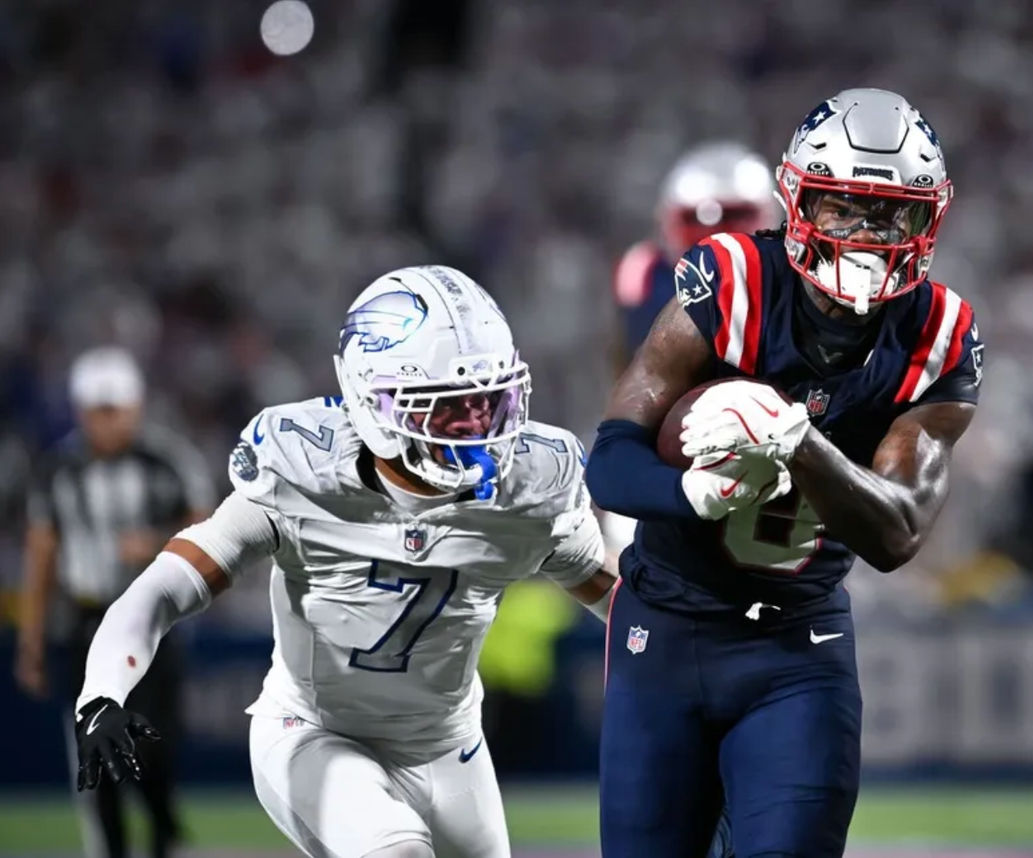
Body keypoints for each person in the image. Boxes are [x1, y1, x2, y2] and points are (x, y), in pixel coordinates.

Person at [71, 266, 616, 858]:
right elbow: (168, 586)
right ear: (372, 400)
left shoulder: (531, 487)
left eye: (489, 403)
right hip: (313, 733)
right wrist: (101, 692)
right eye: (449, 409)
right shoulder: (300, 471)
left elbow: (623, 600)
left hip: (449, 746)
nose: (477, 429)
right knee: (396, 852)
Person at [586, 88, 985, 857]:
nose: (868, 236)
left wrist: (794, 441)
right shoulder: (732, 278)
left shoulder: (940, 334)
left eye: (891, 214)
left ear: (928, 219)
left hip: (796, 649)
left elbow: (898, 532)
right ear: (799, 202)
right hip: (663, 631)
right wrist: (691, 493)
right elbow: (611, 457)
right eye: (844, 208)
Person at [15, 346, 214, 858]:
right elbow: (41, 554)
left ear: (136, 405)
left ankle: (163, 835)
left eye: (116, 408)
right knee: (95, 749)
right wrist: (31, 638)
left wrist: (156, 542)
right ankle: (110, 849)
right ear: (81, 410)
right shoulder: (58, 469)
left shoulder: (168, 461)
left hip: (153, 621)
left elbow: (212, 530)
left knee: (153, 745)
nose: (108, 421)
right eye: (98, 410)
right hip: (83, 620)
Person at [612, 141, 779, 371]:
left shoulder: (794, 272)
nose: (714, 235)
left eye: (734, 215)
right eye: (694, 219)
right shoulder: (644, 276)